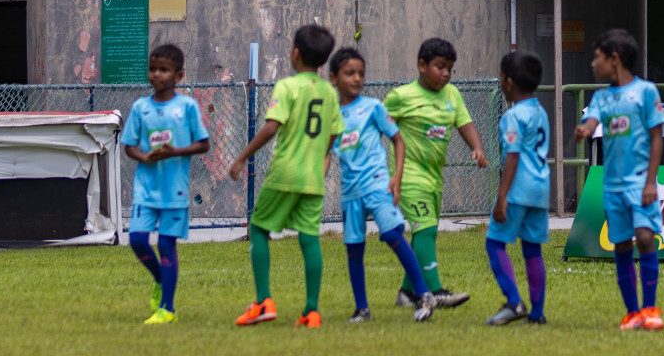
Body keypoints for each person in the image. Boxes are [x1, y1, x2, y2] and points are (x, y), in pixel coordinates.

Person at [228, 24, 343, 327]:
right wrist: (323, 159)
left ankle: (264, 301)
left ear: (295, 53)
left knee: (259, 230)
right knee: (309, 239)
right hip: (313, 178)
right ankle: (311, 310)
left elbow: (270, 127)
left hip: (285, 174)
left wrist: (241, 157)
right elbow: (333, 134)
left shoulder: (288, 87)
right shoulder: (329, 92)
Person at [326, 47, 435, 323]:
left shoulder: (373, 108)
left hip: (378, 185)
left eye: (361, 73)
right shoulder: (332, 117)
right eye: (349, 73)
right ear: (333, 78)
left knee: (391, 233)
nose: (357, 78)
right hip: (351, 193)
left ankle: (423, 294)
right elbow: (326, 153)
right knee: (354, 247)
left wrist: (396, 177)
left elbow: (398, 139)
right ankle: (362, 308)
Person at [385, 37, 488, 309]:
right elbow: (376, 125)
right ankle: (436, 291)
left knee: (424, 234)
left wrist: (477, 148)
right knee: (426, 229)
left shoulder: (452, 95)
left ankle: (407, 294)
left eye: (450, 69)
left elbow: (465, 125)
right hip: (408, 176)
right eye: (440, 67)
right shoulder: (401, 97)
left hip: (434, 178)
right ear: (421, 65)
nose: (446, 74)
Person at [574, 29, 664, 331]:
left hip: (640, 182)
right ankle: (632, 313)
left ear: (614, 59)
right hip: (611, 186)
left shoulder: (646, 92)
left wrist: (651, 181)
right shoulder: (601, 97)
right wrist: (585, 130)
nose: (593, 64)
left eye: (597, 58)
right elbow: (592, 120)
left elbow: (656, 137)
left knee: (644, 236)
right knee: (622, 245)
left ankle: (651, 309)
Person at [121, 43, 211, 325]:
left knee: (166, 244)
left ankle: (167, 308)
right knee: (136, 239)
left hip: (175, 190)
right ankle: (160, 279)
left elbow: (203, 144)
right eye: (153, 69)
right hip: (145, 190)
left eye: (164, 70)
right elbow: (129, 146)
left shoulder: (187, 107)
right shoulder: (140, 107)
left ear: (179, 75)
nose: (157, 75)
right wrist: (145, 156)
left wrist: (175, 152)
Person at [485, 50, 550, 326]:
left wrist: (502, 196)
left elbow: (512, 155)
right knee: (532, 249)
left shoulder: (512, 117)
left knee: (494, 242)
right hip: (540, 189)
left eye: (501, 76)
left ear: (509, 82)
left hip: (518, 189)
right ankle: (537, 313)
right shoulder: (540, 111)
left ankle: (514, 302)